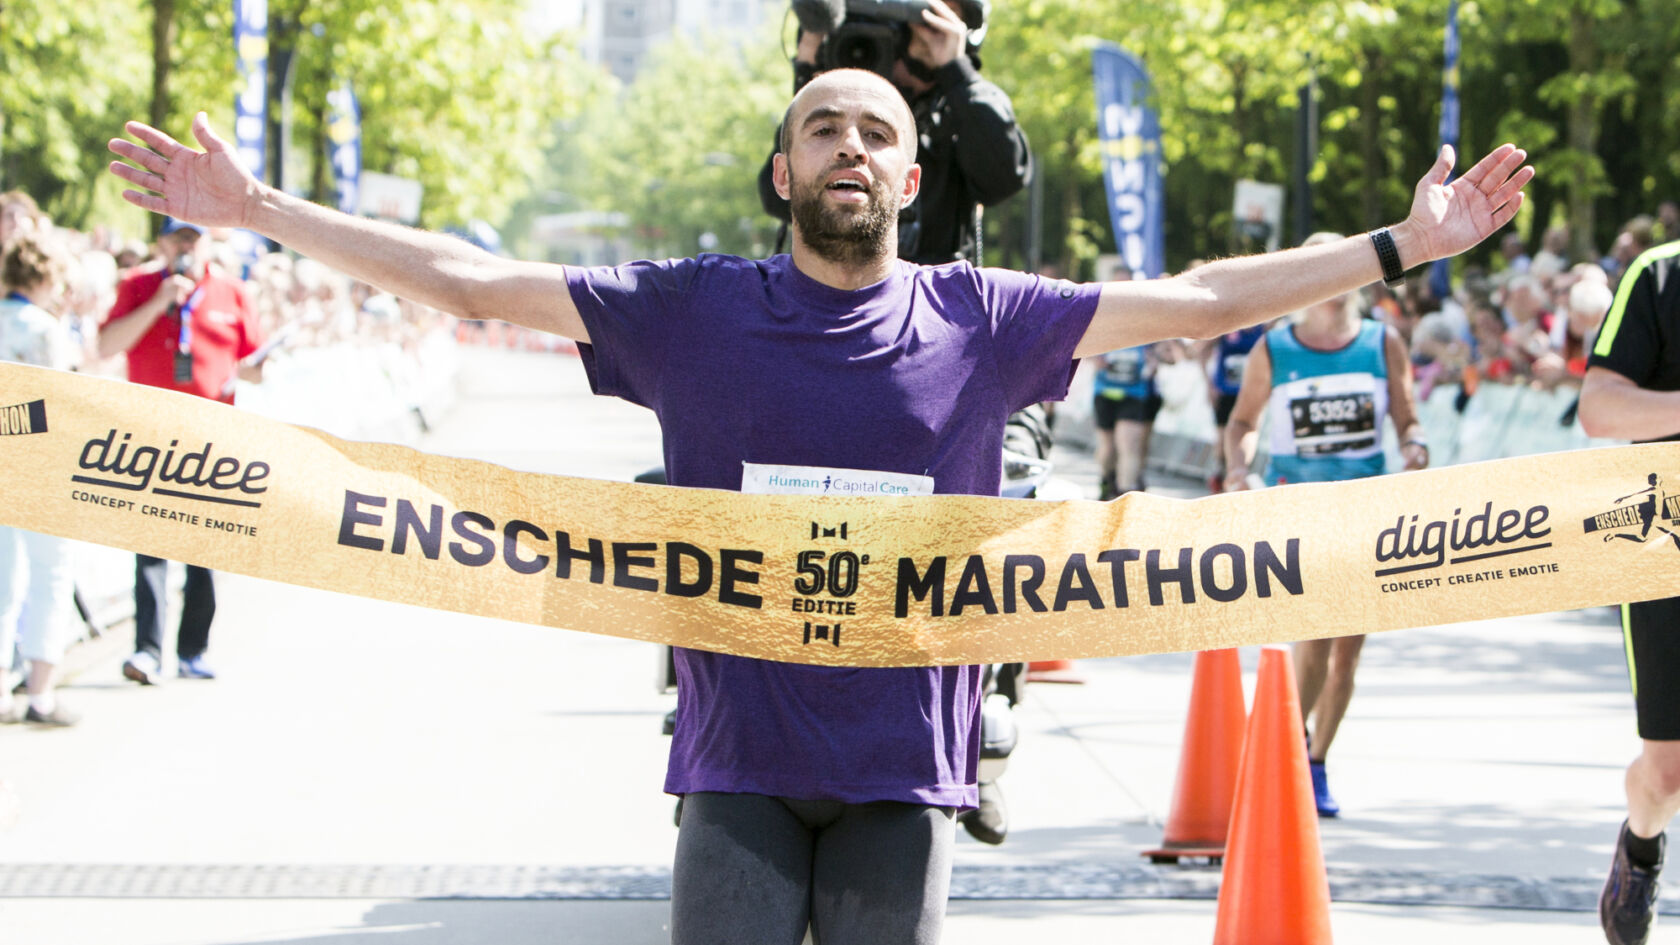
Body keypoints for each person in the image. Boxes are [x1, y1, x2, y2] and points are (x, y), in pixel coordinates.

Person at [107, 73, 1529, 943]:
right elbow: (472, 281)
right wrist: (260, 211)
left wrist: (1408, 244)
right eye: (821, 128)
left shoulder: (985, 317)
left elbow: (1209, 297)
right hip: (732, 767)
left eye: (877, 132)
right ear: (784, 171)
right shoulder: (695, 311)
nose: (850, 146)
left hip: (905, 774)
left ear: (914, 179)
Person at [758, 0, 1031, 845]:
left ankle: (978, 710)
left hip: (947, 355)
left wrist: (954, 71)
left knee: (1013, 493)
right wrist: (815, 67)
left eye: (879, 134)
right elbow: (773, 195)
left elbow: (1006, 173)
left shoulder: (956, 105)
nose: (856, 144)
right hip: (815, 349)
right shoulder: (830, 108)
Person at [1220, 231, 1430, 817]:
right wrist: (1238, 467)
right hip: (1299, 511)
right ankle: (1283, 755)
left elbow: (1409, 419)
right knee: (1313, 638)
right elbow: (1241, 422)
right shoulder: (1276, 348)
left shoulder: (1381, 342)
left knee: (1347, 654)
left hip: (1363, 511)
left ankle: (1313, 761)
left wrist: (1415, 446)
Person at [96, 219, 265, 685]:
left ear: (207, 243)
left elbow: (255, 367)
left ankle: (193, 649)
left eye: (194, 237)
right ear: (162, 244)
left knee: (203, 545)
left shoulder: (233, 292)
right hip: (148, 435)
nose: (186, 245)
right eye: (178, 238)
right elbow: (108, 343)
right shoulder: (138, 285)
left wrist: (257, 364)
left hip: (210, 438)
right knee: (149, 546)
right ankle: (147, 650)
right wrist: (158, 303)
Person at [756, 0, 1030, 265]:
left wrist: (958, 74)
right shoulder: (842, 105)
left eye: (944, 16)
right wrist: (809, 79)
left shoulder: (962, 106)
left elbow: (1004, 179)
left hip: (936, 297)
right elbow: (778, 196)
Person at [1578, 238, 1680, 945]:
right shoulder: (1660, 272)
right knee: (1669, 772)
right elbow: (1600, 408)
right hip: (1664, 544)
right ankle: (1641, 846)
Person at [0, 232, 82, 727]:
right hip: (38, 457)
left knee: (2, 573)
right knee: (51, 567)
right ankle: (41, 690)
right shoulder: (46, 328)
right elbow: (65, 395)